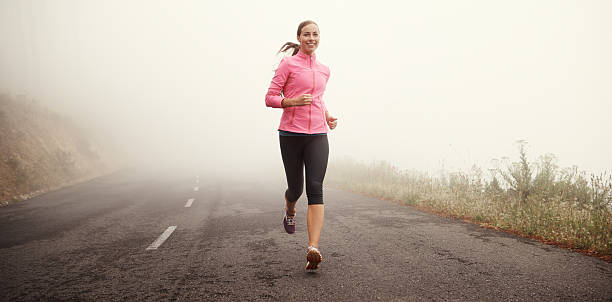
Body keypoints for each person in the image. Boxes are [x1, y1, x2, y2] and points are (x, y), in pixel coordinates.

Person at [265, 20, 338, 270]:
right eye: (306, 34)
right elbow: (270, 98)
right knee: (296, 188)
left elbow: (318, 98)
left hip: (318, 134)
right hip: (290, 134)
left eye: (315, 34)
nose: (311, 38)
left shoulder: (324, 69)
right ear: (299, 37)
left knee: (315, 187)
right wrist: (292, 102)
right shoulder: (288, 65)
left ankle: (313, 247)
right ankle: (289, 206)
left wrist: (327, 115)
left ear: (320, 38)